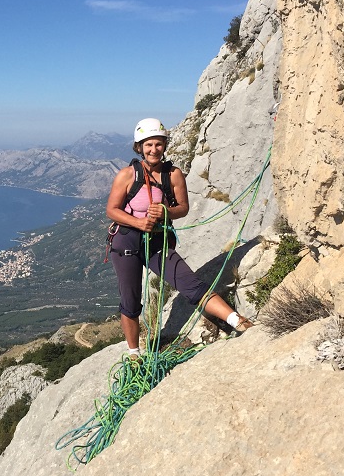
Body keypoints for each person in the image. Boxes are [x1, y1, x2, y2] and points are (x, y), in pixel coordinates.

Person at [106, 117, 252, 358]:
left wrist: (165, 211)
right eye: (148, 145)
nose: (154, 150)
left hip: (157, 240)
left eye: (159, 144)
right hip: (127, 240)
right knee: (130, 301)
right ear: (139, 147)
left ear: (165, 145)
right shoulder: (127, 175)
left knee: (191, 285)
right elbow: (112, 210)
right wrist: (139, 222)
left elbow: (182, 207)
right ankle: (134, 353)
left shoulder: (172, 175)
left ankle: (238, 321)